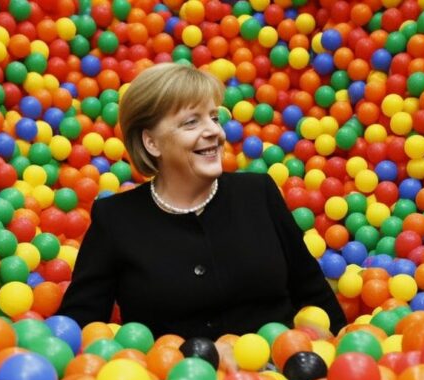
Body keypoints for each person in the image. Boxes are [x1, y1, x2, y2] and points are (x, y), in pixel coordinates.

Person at [57, 62, 346, 340]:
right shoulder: (116, 220)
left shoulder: (259, 194)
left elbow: (314, 295)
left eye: (214, 117)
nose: (214, 132)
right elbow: (79, 330)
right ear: (152, 142)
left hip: (279, 378)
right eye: (191, 122)